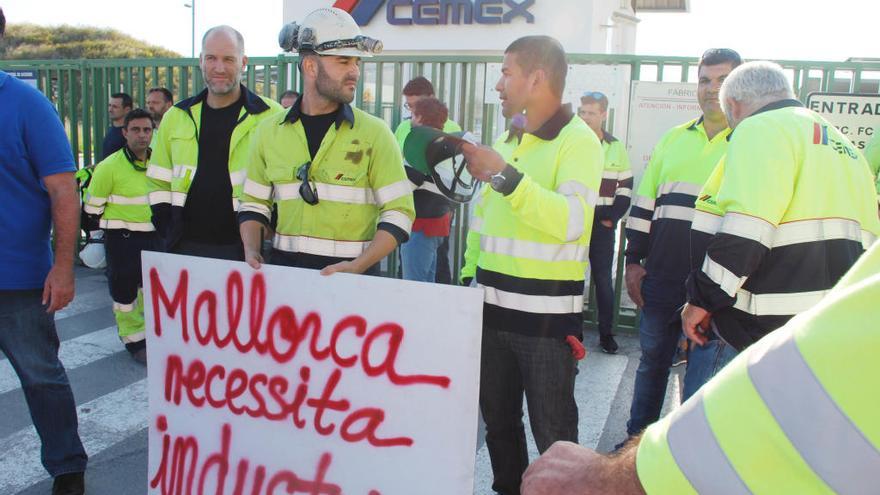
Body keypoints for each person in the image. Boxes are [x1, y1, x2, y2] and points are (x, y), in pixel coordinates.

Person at [520, 239, 880, 495]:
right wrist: (635, 259)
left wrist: (616, 477)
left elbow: (743, 234)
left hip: (725, 310)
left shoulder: (766, 133)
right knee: (659, 371)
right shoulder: (837, 151)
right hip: (697, 295)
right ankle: (634, 442)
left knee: (696, 394)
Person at [681, 61, 880, 396]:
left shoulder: (760, 128)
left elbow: (746, 232)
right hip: (821, 335)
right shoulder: (846, 148)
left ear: (734, 106)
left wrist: (700, 300)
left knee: (709, 441)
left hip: (755, 333)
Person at [459, 35, 603, 495]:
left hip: (545, 325)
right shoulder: (509, 136)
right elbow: (483, 219)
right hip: (490, 313)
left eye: (506, 72)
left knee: (556, 440)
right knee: (499, 427)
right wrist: (468, 276)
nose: (498, 84)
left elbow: (572, 221)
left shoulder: (579, 141)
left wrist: (504, 175)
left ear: (536, 78)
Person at [620, 48, 741, 441]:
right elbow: (643, 205)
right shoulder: (673, 139)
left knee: (702, 379)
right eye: (705, 80)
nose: (712, 89)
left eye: (723, 80)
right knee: (651, 363)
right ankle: (637, 445)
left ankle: (681, 457)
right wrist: (633, 261)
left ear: (738, 85)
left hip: (712, 290)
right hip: (662, 278)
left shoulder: (748, 143)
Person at [239, 7, 414, 276]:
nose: (355, 71)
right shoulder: (268, 132)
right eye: (344, 61)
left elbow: (399, 212)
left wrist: (359, 265)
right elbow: (253, 205)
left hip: (353, 288)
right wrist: (251, 249)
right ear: (310, 66)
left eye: (356, 62)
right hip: (288, 283)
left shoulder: (376, 134)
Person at [0, 8, 88, 494]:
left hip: (19, 280)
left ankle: (67, 466)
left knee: (41, 378)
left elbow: (63, 191)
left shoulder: (26, 105)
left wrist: (63, 267)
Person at [147, 26, 282, 261]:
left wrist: (267, 233)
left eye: (229, 59)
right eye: (211, 58)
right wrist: (167, 229)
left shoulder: (272, 116)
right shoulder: (176, 116)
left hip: (248, 250)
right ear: (201, 61)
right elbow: (158, 179)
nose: (219, 68)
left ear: (243, 62)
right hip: (185, 246)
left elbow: (285, 183)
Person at [83, 108, 162, 364]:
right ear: (124, 132)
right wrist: (96, 238)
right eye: (136, 130)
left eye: (147, 130)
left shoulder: (160, 164)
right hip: (122, 241)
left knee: (150, 292)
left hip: (154, 240)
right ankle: (134, 342)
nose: (142, 135)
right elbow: (91, 210)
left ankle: (153, 336)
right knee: (125, 294)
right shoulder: (109, 167)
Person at [577, 91, 632, 354]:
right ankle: (572, 332)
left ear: (603, 114)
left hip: (603, 223)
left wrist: (611, 218)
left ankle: (606, 335)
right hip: (574, 220)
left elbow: (626, 186)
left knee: (602, 281)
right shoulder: (571, 142)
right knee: (571, 278)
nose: (586, 117)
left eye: (591, 113)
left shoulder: (615, 146)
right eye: (583, 112)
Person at [394, 76, 462, 284]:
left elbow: (408, 179)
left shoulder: (425, 142)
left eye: (414, 112)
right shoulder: (444, 137)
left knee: (415, 283)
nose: (410, 117)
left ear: (422, 117)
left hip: (421, 220)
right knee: (427, 277)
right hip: (434, 220)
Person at [102, 91, 133, 160]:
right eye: (109, 105)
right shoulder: (111, 129)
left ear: (127, 110)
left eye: (115, 107)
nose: (110, 109)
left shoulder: (130, 133)